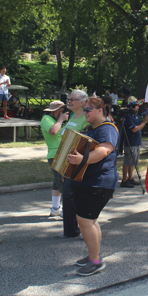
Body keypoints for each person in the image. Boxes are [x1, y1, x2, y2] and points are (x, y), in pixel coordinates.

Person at [67, 97, 118, 276]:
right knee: (90, 220)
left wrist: (83, 160)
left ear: (101, 110)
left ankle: (96, 261)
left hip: (98, 182)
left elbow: (104, 150)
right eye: (85, 109)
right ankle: (94, 255)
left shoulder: (106, 128)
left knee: (85, 221)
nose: (85, 112)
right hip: (89, 181)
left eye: (88, 109)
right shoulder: (92, 128)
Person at [58, 89, 89, 238]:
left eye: (72, 99)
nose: (69, 101)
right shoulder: (72, 116)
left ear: (82, 102)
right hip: (66, 161)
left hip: (78, 164)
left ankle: (84, 229)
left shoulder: (86, 118)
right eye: (69, 99)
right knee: (67, 196)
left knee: (75, 196)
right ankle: (70, 230)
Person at [41, 100, 68, 217]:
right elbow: (53, 131)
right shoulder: (46, 119)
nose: (63, 113)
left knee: (57, 182)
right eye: (61, 111)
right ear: (55, 111)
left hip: (61, 154)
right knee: (62, 182)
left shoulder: (54, 120)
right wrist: (61, 120)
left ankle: (55, 208)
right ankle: (67, 210)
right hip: (56, 155)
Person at [120, 96, 148, 188]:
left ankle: (130, 178)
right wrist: (144, 121)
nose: (138, 107)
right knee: (128, 161)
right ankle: (124, 180)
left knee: (133, 162)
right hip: (130, 142)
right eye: (137, 106)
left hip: (136, 142)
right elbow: (134, 129)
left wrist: (144, 121)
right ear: (132, 106)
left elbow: (140, 127)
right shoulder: (128, 117)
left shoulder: (135, 115)